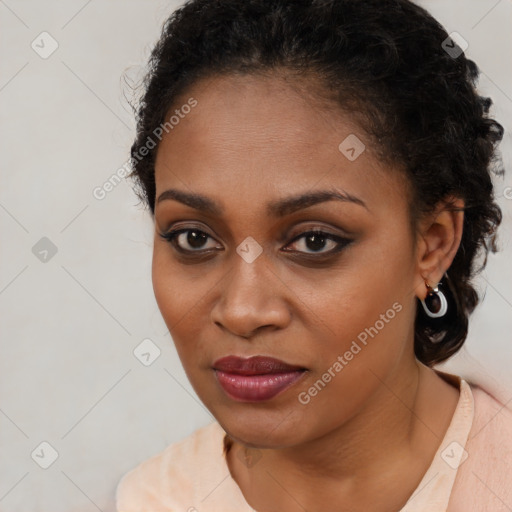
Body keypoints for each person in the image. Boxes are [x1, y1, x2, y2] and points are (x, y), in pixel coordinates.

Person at [115, 0, 512, 510]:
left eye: (314, 241)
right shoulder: (153, 500)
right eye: (194, 238)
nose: (242, 310)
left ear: (432, 245)